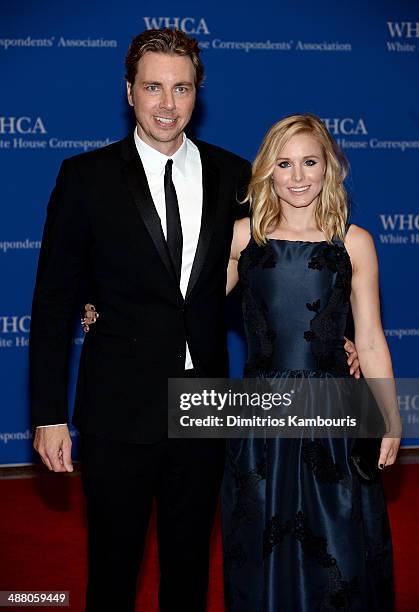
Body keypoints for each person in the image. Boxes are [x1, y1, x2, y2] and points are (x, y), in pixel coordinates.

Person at [29, 28, 253, 612]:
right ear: (129, 91)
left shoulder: (236, 176)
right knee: (113, 570)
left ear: (197, 94)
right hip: (116, 407)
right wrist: (48, 413)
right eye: (153, 87)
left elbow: (279, 263)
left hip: (204, 404)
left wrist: (341, 338)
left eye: (180, 88)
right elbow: (54, 300)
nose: (167, 104)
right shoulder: (85, 177)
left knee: (189, 571)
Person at [221, 114, 401, 611]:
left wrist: (389, 417)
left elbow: (368, 339)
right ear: (267, 172)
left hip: (334, 419)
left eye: (309, 162)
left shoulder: (355, 242)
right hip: (260, 419)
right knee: (258, 542)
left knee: (339, 545)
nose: (297, 176)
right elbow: (186, 310)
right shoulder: (241, 239)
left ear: (329, 169)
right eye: (284, 164)